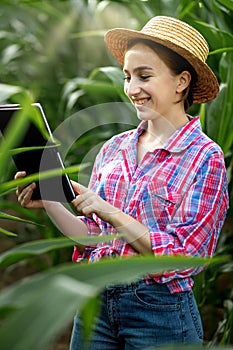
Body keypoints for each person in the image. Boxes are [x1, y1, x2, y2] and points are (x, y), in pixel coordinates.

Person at [15, 16, 229, 349]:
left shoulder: (204, 157)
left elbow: (187, 254)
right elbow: (92, 240)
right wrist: (52, 202)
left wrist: (109, 211)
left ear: (181, 82)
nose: (131, 89)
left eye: (145, 76)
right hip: (96, 304)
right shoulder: (115, 148)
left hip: (158, 314)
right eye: (128, 77)